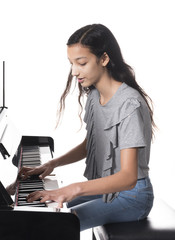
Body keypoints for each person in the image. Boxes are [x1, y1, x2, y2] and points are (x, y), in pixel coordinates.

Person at [19, 24, 155, 231]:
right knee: (42, 211)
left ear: (104, 59)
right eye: (71, 63)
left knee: (54, 225)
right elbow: (90, 144)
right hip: (107, 189)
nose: (74, 71)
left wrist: (73, 189)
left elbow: (128, 177)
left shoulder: (129, 104)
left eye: (81, 63)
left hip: (132, 197)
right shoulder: (94, 96)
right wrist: (53, 163)